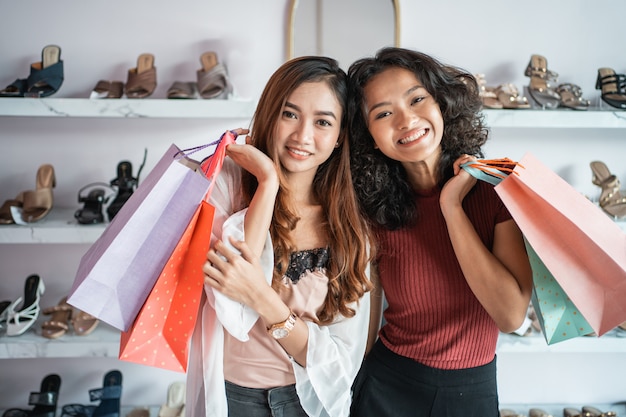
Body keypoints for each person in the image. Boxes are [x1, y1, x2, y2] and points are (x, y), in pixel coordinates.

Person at [346, 47, 533, 417]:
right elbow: (367, 308)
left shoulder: (497, 190)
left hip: (472, 391)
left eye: (416, 99)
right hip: (386, 386)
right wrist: (356, 382)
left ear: (442, 102)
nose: (406, 120)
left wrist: (452, 207)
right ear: (368, 133)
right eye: (383, 113)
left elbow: (511, 316)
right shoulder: (371, 207)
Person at [185, 56, 374, 417]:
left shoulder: (349, 227)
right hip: (231, 397)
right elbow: (230, 305)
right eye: (290, 114)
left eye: (322, 122)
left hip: (304, 402)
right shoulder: (228, 188)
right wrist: (268, 184)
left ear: (339, 138)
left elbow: (336, 360)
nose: (303, 136)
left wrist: (260, 296)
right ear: (270, 115)